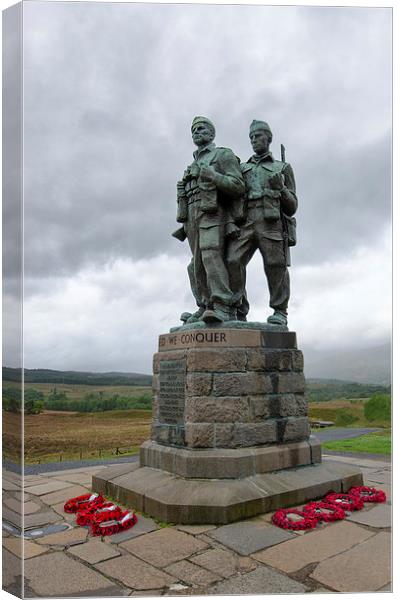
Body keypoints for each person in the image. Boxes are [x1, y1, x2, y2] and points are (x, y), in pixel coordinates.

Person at [227, 120, 298, 326]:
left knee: (275, 265)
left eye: (258, 136)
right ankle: (238, 309)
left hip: (271, 222)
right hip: (246, 220)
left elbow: (292, 206)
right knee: (232, 260)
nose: (254, 140)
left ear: (269, 138)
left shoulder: (282, 168)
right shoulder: (242, 168)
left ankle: (280, 311)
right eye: (251, 137)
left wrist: (281, 188)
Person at [175, 116, 245, 324]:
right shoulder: (192, 163)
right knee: (196, 264)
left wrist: (210, 174)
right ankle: (205, 305)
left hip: (214, 213)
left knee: (210, 256)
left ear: (212, 133)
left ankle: (223, 305)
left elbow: (238, 185)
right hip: (192, 215)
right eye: (194, 130)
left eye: (202, 128)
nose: (197, 132)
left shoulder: (222, 155)